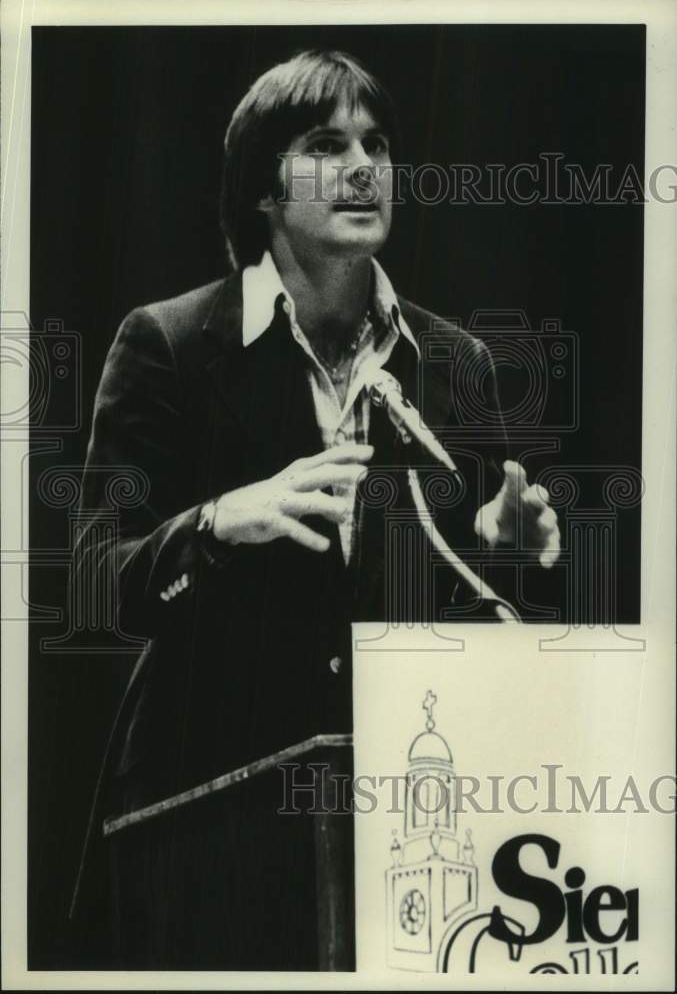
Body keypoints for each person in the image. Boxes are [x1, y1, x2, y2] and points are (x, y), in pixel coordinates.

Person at [69, 49, 560, 969]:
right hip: (203, 825)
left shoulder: (455, 364)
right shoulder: (169, 345)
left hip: (394, 833)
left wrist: (508, 556)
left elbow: (478, 624)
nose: (363, 165)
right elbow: (98, 582)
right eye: (326, 145)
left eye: (376, 143)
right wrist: (220, 519)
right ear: (262, 187)